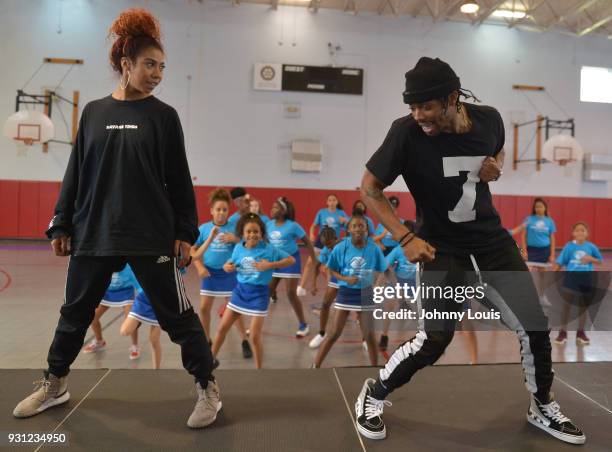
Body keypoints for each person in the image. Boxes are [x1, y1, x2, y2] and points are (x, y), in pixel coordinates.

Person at [354, 57, 584, 444]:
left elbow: (491, 158)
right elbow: (369, 189)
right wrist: (405, 238)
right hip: (441, 250)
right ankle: (373, 395)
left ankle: (542, 405)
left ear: (452, 98)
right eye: (411, 106)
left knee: (536, 327)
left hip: (493, 245)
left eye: (425, 106)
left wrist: (492, 166)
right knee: (435, 339)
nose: (418, 115)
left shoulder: (490, 121)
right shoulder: (405, 133)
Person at [13, 8, 220, 429]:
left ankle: (207, 387)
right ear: (126, 65)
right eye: (149, 65)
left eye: (162, 67)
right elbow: (77, 173)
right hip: (95, 232)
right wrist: (61, 222)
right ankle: (55, 385)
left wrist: (185, 232)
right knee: (74, 313)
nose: (157, 73)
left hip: (151, 235)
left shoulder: (164, 117)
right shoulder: (92, 113)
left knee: (178, 317)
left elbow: (179, 180)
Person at [212, 213, 295, 369]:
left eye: (256, 231)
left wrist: (270, 265)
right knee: (222, 328)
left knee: (255, 337)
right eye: (249, 231)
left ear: (261, 233)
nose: (252, 235)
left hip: (259, 295)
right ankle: (210, 361)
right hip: (240, 293)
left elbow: (291, 260)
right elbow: (230, 263)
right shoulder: (238, 248)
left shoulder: (269, 249)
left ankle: (259, 370)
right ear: (243, 234)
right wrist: (227, 267)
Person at [312, 214, 387, 368]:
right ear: (349, 229)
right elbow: (331, 269)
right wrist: (345, 279)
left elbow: (384, 270)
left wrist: (377, 285)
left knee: (370, 336)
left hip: (365, 294)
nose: (358, 228)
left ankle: (375, 371)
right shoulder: (340, 248)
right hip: (346, 293)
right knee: (334, 333)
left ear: (366, 229)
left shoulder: (374, 248)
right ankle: (315, 365)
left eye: (361, 226)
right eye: (355, 226)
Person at [191, 188, 252, 359]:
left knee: (234, 310)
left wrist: (236, 240)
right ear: (211, 211)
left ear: (228, 211)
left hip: (229, 274)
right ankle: (206, 340)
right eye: (218, 209)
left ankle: (245, 341)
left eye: (224, 209)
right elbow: (193, 249)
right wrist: (200, 267)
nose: (221, 213)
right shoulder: (204, 229)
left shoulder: (235, 227)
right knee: (204, 307)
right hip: (210, 274)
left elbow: (249, 245)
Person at [267, 197, 316, 337]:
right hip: (275, 262)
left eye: (276, 208)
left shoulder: (292, 225)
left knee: (290, 293)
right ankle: (255, 324)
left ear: (283, 211)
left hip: (290, 261)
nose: (272, 210)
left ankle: (303, 324)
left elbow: (307, 241)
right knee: (267, 292)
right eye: (272, 207)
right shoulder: (268, 225)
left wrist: (314, 258)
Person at [553, 222, 603, 345]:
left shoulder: (591, 247)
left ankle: (580, 333)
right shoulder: (569, 247)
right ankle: (562, 333)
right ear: (573, 233)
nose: (580, 232)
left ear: (587, 233)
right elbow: (560, 262)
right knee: (566, 307)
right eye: (578, 230)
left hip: (586, 280)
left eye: (583, 230)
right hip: (571, 280)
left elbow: (600, 261)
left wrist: (590, 259)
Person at [82, 263, 140, 360]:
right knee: (92, 317)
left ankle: (135, 346)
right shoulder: (103, 264)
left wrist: (145, 296)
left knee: (130, 319)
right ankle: (99, 341)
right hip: (108, 293)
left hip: (125, 292)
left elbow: (138, 284)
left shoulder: (128, 267)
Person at [299, 194, 349, 296]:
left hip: (333, 243)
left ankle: (331, 291)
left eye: (334, 200)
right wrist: (311, 234)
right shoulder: (321, 213)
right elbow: (313, 226)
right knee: (310, 262)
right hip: (320, 241)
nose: (331, 202)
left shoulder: (341, 213)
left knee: (329, 268)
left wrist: (345, 221)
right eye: (329, 200)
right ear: (327, 202)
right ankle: (301, 288)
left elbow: (350, 224)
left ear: (337, 202)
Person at [120, 280, 165, 369]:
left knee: (154, 340)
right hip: (143, 299)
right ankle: (139, 319)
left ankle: (156, 370)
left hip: (161, 300)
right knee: (124, 331)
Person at [308, 226, 340, 349]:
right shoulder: (326, 249)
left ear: (335, 239)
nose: (328, 247)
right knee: (325, 304)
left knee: (359, 310)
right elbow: (317, 266)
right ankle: (321, 333)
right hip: (336, 280)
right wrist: (313, 284)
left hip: (350, 280)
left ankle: (366, 339)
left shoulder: (345, 246)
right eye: (325, 245)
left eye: (329, 244)